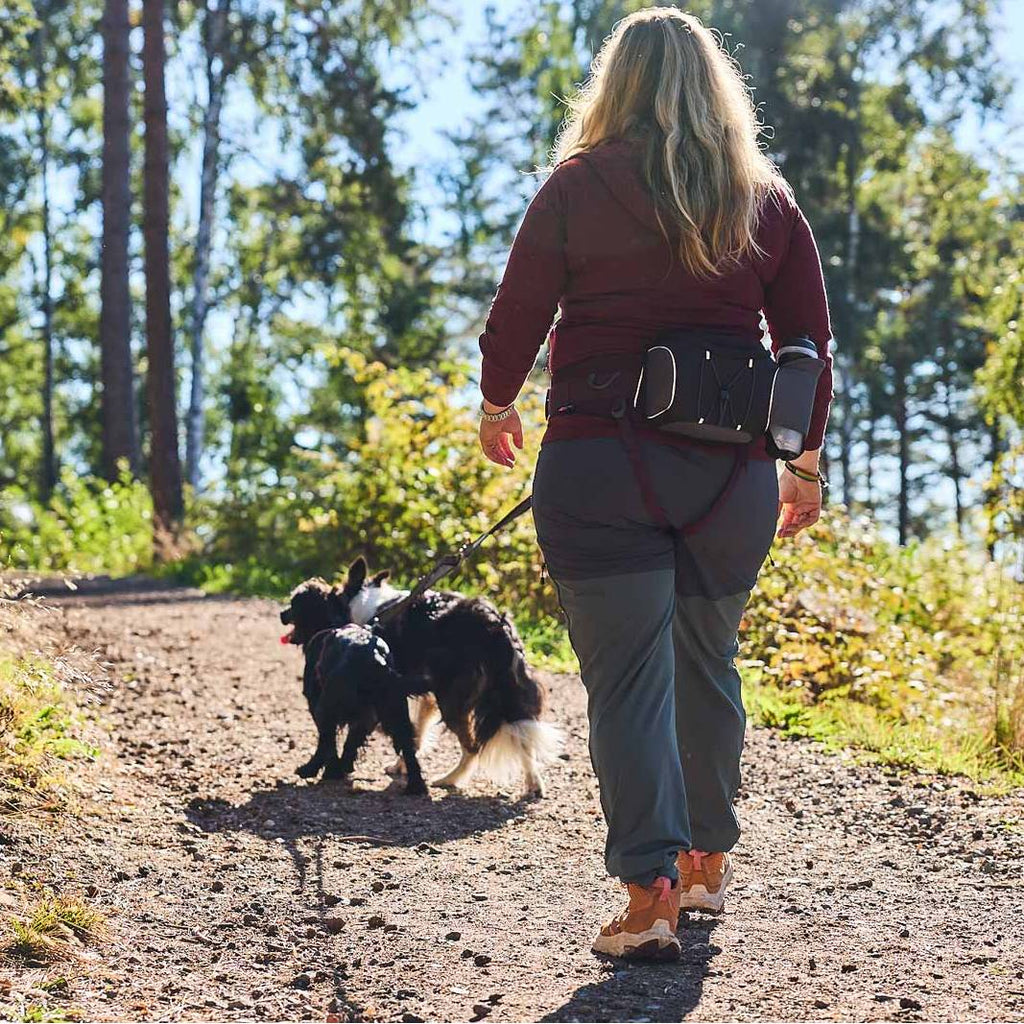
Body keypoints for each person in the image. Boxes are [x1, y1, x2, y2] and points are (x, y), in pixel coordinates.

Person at [477, 7, 832, 961]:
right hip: (732, 477)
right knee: (707, 660)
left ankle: (651, 897)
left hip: (601, 467)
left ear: (616, 85)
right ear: (716, 89)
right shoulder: (763, 197)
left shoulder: (577, 186)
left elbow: (517, 313)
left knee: (630, 680)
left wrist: (498, 404)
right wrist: (803, 463)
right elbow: (807, 343)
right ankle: (705, 860)